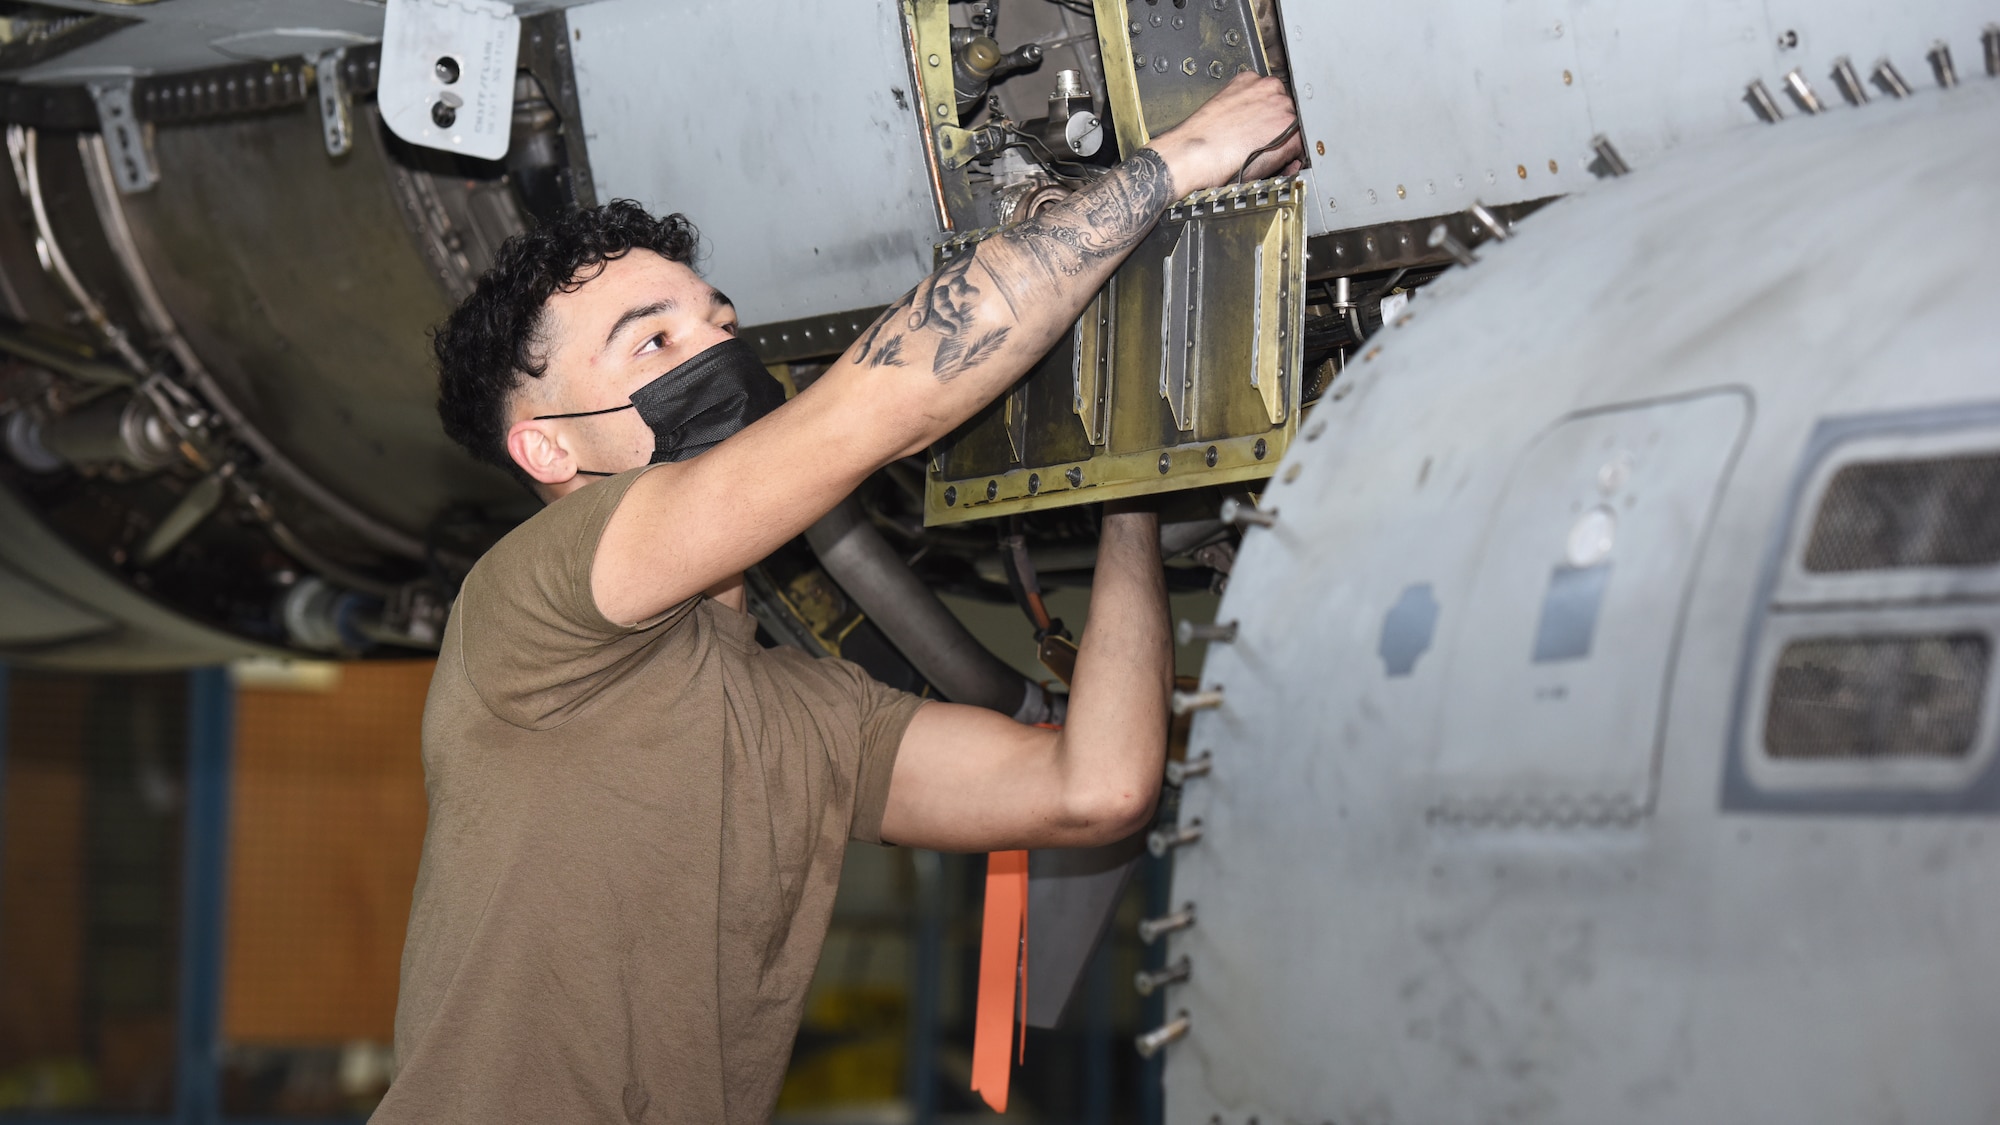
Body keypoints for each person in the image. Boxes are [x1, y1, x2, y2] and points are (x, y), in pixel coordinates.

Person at [373, 73, 1300, 1124]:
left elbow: (1093, 790)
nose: (716, 346)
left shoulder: (809, 718)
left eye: (717, 319)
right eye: (654, 342)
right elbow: (876, 408)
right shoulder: (532, 605)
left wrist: (1130, 494)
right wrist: (1178, 162)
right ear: (547, 448)